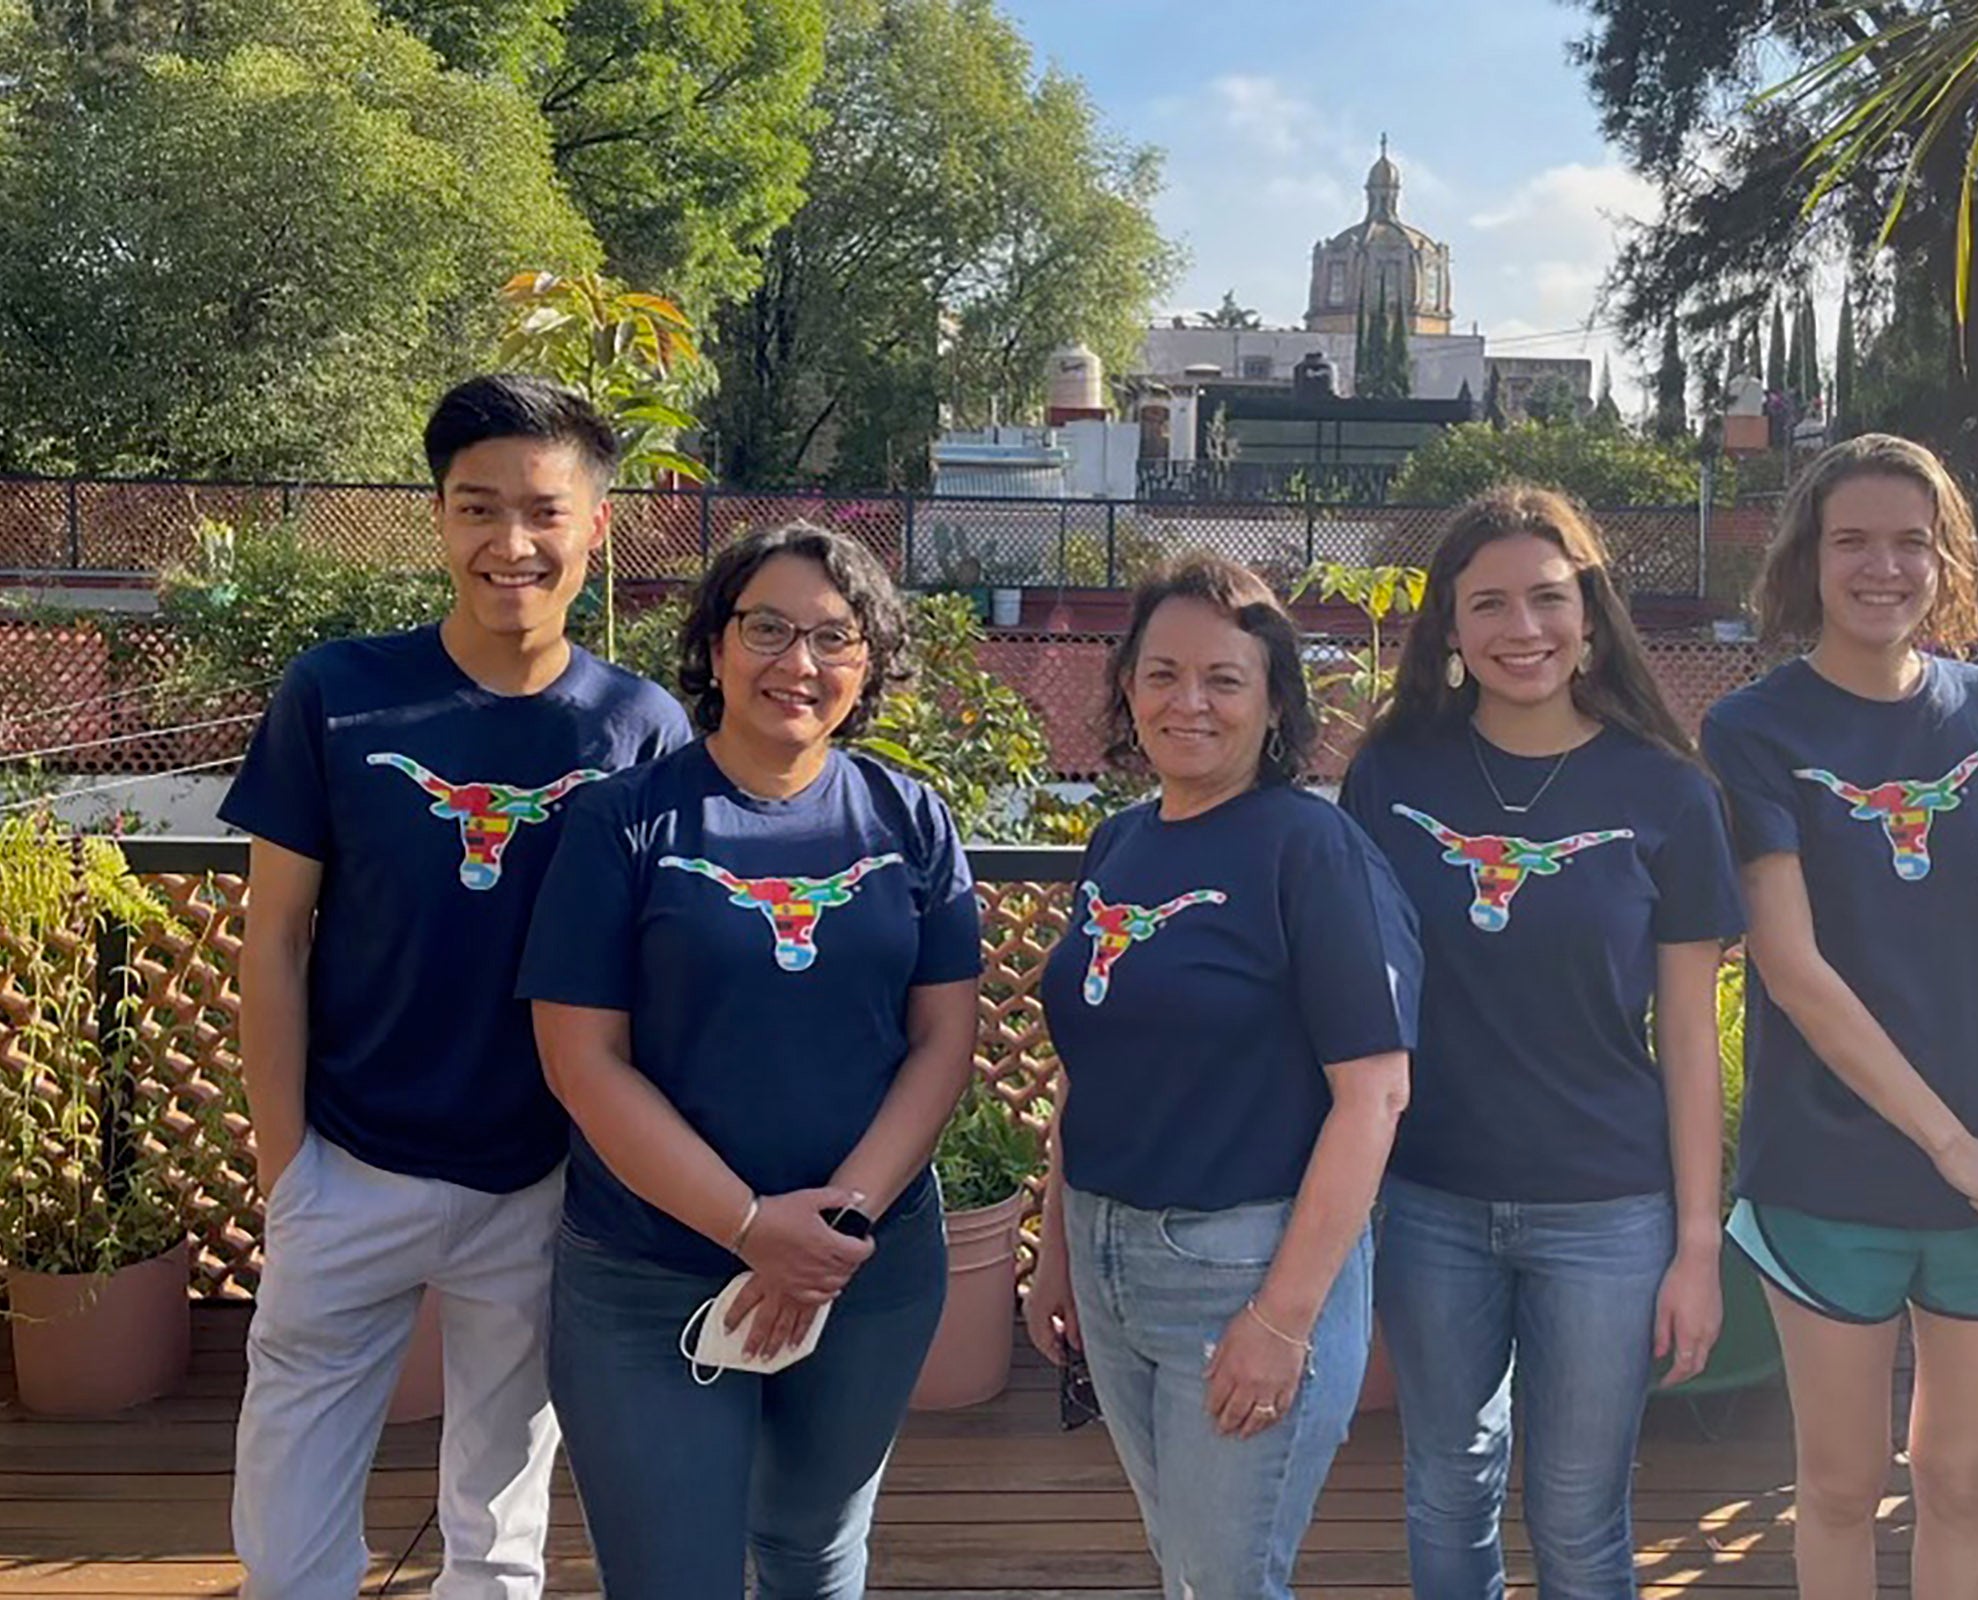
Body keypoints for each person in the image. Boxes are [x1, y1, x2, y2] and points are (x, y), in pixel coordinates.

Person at [223, 374, 689, 1598]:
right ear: (437, 519)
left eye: (543, 510)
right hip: (349, 1161)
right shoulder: (337, 692)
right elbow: (272, 936)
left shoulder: (641, 730)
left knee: (500, 1522)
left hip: (544, 1177)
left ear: (598, 524)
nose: (510, 543)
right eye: (477, 507)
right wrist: (288, 1169)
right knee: (287, 1528)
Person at [515, 521, 982, 1599]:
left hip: (863, 1273)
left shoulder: (909, 818)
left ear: (869, 664)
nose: (799, 662)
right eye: (767, 627)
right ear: (716, 644)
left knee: (812, 1553)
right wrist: (747, 1225)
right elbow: (582, 1060)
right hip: (648, 1273)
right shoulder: (624, 821)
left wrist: (836, 1224)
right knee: (672, 1577)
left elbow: (942, 1039)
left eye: (834, 636)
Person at [1699, 435, 1978, 1600]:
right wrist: (1947, 1141)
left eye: (1911, 542)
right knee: (1838, 1484)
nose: (1884, 567)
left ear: (1947, 558)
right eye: (1853, 541)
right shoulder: (1753, 730)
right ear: (1807, 557)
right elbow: (1791, 965)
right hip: (1830, 1173)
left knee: (1963, 1482)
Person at [1337, 485, 1743, 1599]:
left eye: (1549, 600)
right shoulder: (1388, 779)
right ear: (1451, 629)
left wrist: (1698, 1244)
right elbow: (1346, 1004)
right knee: (1446, 1485)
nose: (1524, 629)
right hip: (1428, 1200)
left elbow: (1692, 1039)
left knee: (1580, 1513)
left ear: (1592, 615)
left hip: (1608, 1211)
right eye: (1491, 604)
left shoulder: (1668, 792)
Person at [1020, 553, 1420, 1600]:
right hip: (1109, 1258)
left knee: (1224, 1581)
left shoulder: (1311, 849)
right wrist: (1057, 1248)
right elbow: (1090, 1061)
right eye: (1160, 674)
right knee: (1191, 1571)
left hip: (1241, 1268)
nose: (1186, 701)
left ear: (1275, 701)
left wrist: (1283, 1319)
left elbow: (1373, 1095)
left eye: (1223, 679)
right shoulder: (1118, 843)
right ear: (1127, 689)